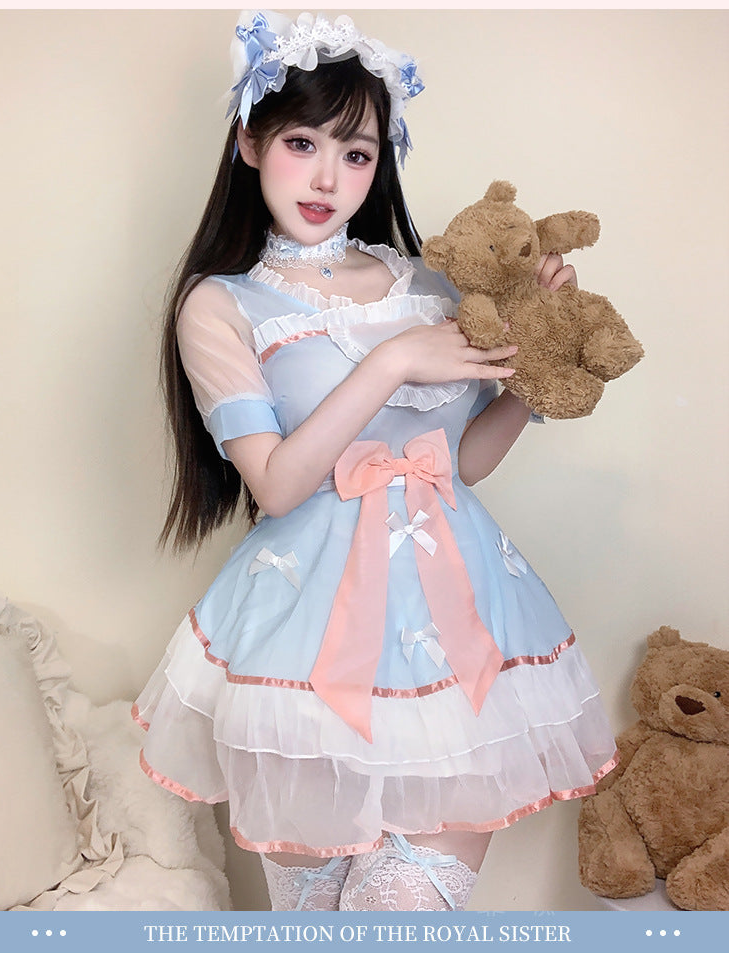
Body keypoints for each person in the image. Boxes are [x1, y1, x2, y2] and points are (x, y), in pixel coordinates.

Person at [133, 10, 617, 912]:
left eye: (355, 153)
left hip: (457, 614)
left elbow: (461, 463)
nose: (327, 177)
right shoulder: (221, 305)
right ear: (250, 142)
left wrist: (540, 363)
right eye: (302, 143)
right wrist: (391, 362)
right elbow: (278, 484)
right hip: (301, 634)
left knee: (403, 917)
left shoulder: (427, 285)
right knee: (313, 922)